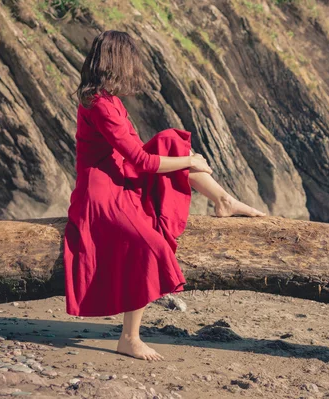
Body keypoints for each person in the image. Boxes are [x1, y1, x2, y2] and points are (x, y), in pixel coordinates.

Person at [63, 30, 266, 362]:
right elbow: (141, 161)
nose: (133, 70)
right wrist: (190, 161)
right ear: (117, 62)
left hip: (120, 177)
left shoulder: (109, 99)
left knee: (170, 138)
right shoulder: (100, 104)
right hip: (101, 193)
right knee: (151, 245)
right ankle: (129, 338)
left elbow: (138, 157)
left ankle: (223, 200)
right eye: (130, 63)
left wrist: (182, 157)